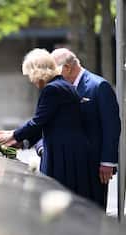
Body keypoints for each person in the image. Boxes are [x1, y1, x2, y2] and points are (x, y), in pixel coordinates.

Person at [0, 48, 98, 206]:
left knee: (59, 198)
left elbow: (38, 121)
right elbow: (49, 121)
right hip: (73, 151)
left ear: (37, 72)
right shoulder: (63, 85)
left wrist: (12, 136)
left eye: (30, 74)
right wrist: (21, 140)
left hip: (64, 153)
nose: (30, 80)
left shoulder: (52, 89)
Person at [44, 48, 119, 209]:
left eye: (54, 70)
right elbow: (46, 120)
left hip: (93, 167)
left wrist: (107, 162)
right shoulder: (57, 89)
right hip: (63, 166)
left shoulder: (99, 86)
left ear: (68, 68)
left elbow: (111, 126)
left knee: (92, 212)